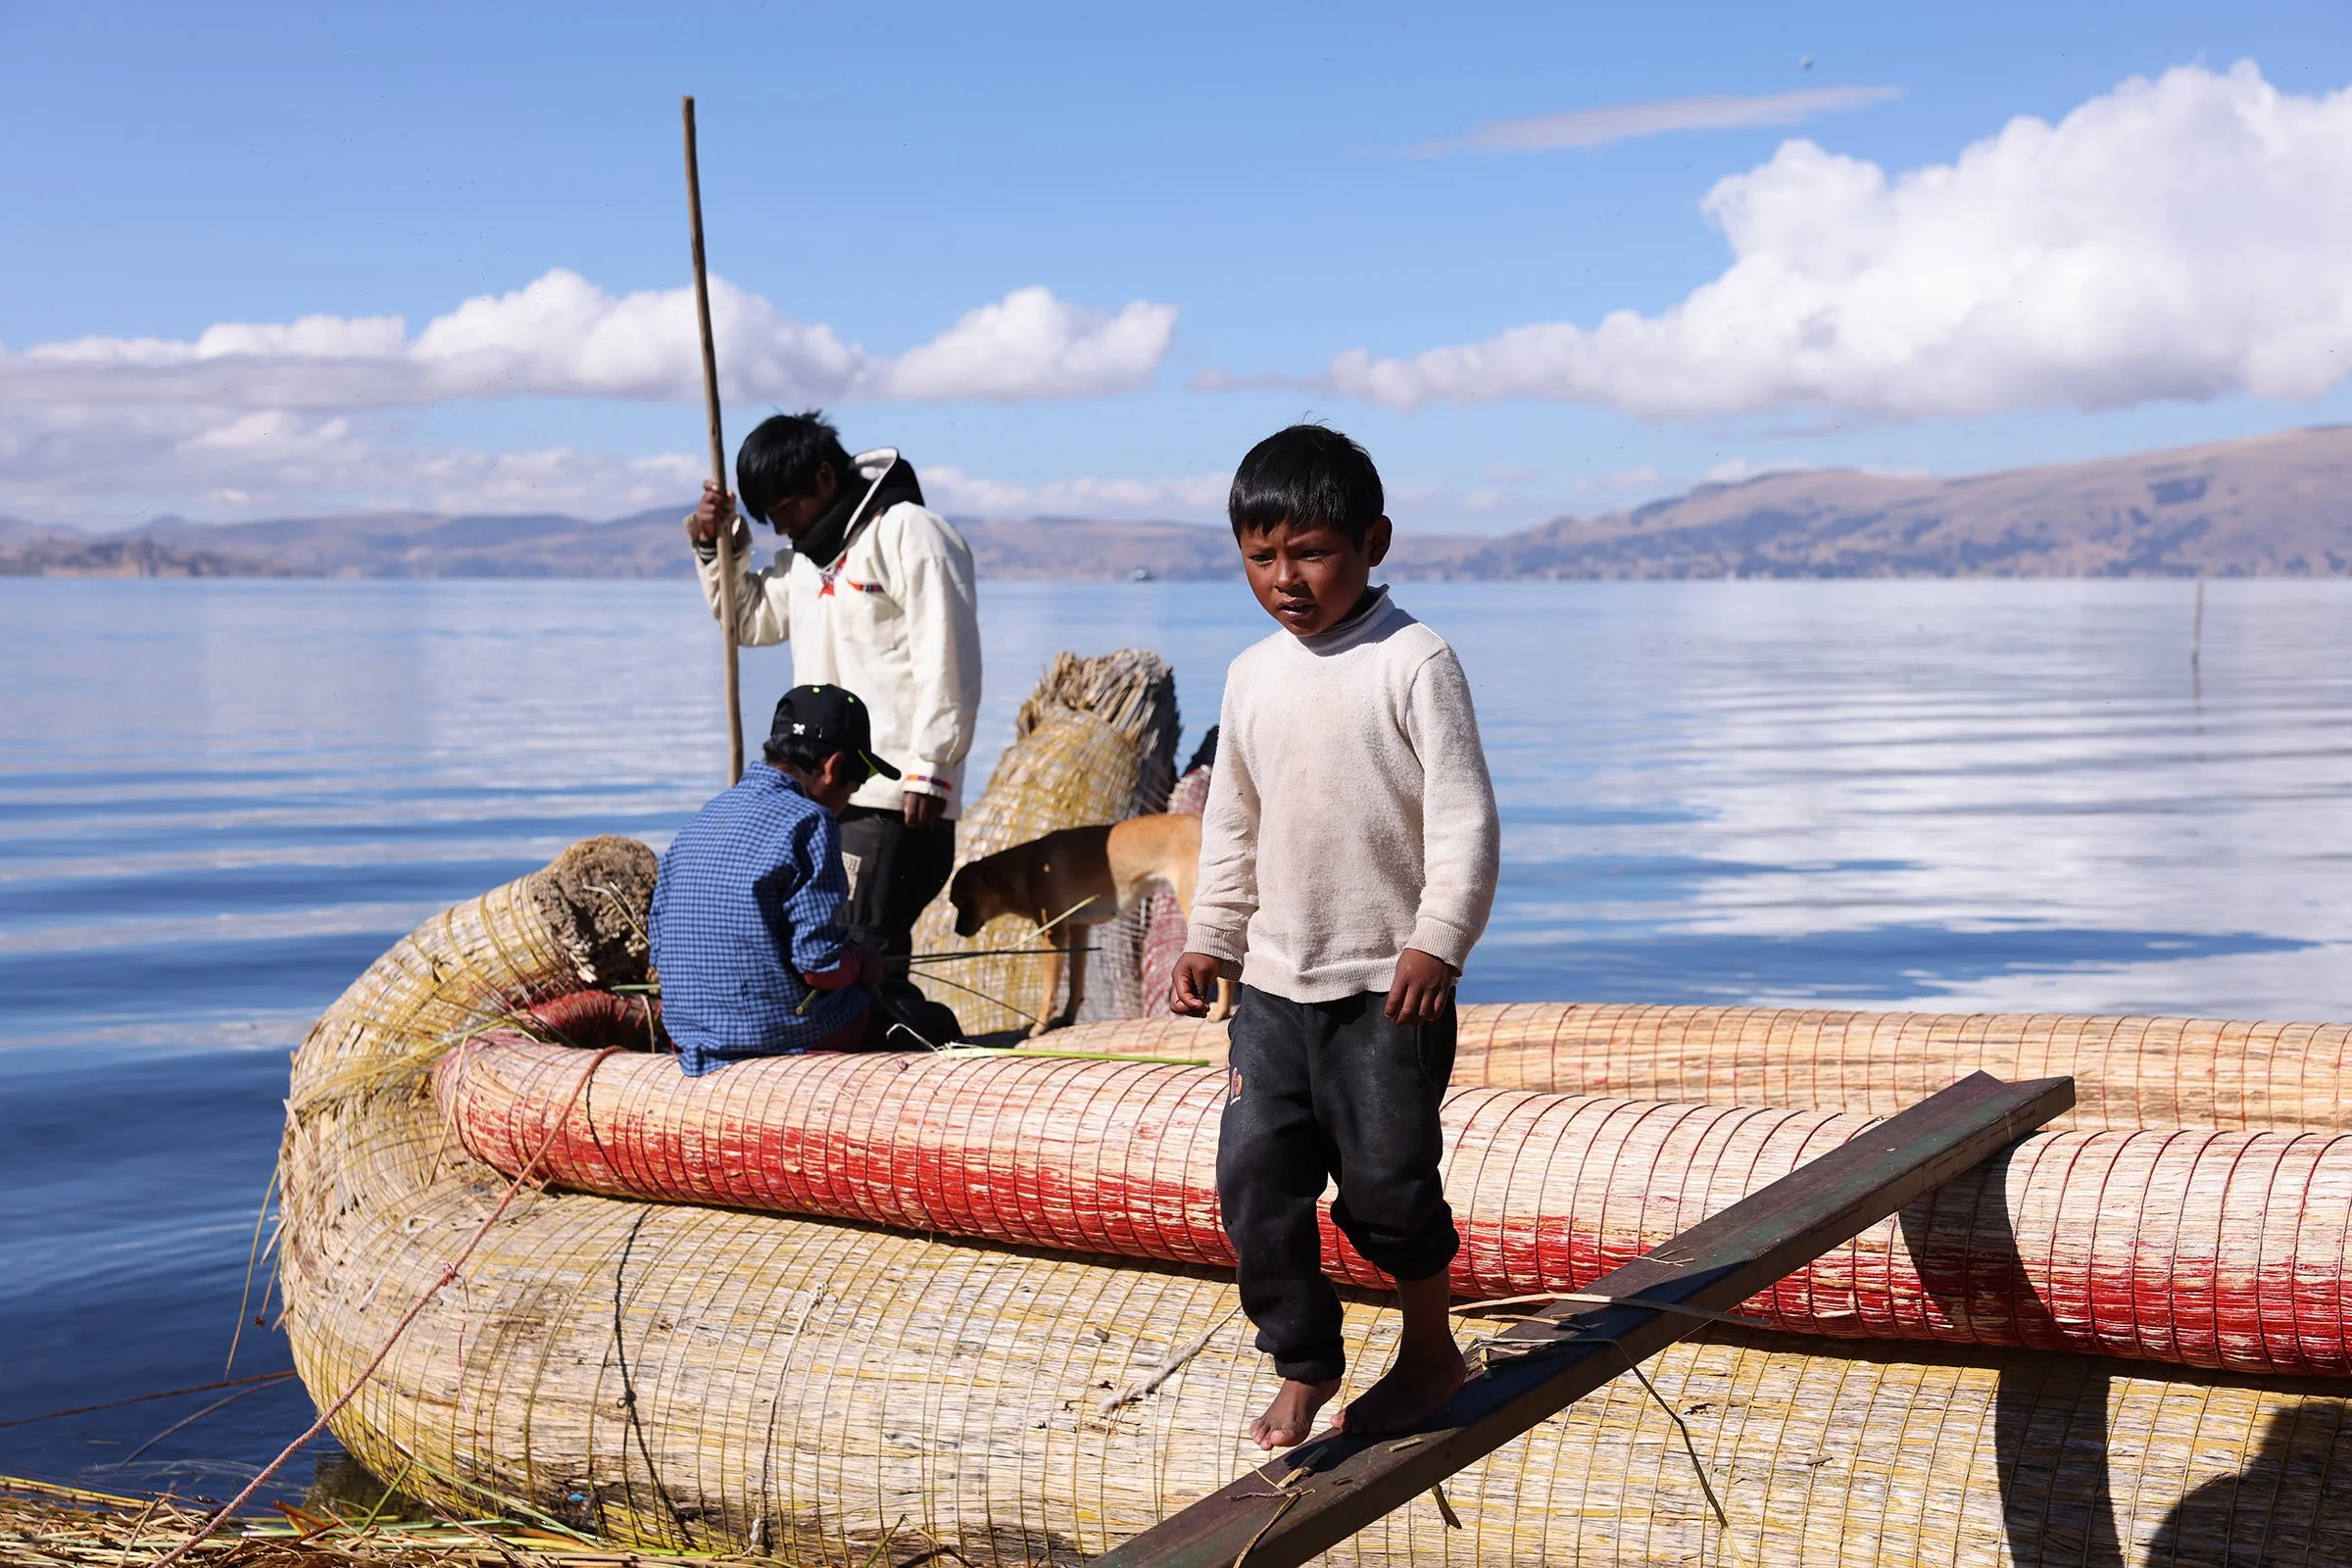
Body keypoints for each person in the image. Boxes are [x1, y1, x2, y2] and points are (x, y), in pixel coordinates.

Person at [1171, 425, 1501, 1451]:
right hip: (1274, 986)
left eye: (1309, 552)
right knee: (1255, 1182)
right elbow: (1233, 820)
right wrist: (1211, 936)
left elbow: (1464, 819)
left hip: (1385, 990)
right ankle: (1305, 1359)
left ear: (1373, 541)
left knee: (1389, 1185)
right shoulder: (1250, 674)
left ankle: (1430, 1345)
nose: (1285, 579)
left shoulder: (1415, 661)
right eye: (1260, 555)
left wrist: (1438, 939)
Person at [685, 412, 982, 970]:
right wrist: (714, 548)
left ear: (825, 476)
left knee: (861, 948)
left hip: (894, 796)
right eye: (772, 519)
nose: (785, 528)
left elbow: (950, 658)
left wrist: (931, 767)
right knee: (831, 945)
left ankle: (884, 1057)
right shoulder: (806, 559)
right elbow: (748, 620)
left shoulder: (910, 534)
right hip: (819, 794)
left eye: (788, 509)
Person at [652, 684, 963, 1075]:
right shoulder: (811, 821)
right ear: (832, 768)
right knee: (935, 1022)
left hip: (690, 1034)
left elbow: (659, 944)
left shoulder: (708, 815)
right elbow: (821, 966)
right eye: (855, 787)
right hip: (772, 1039)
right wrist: (861, 961)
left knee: (899, 995)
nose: (847, 802)